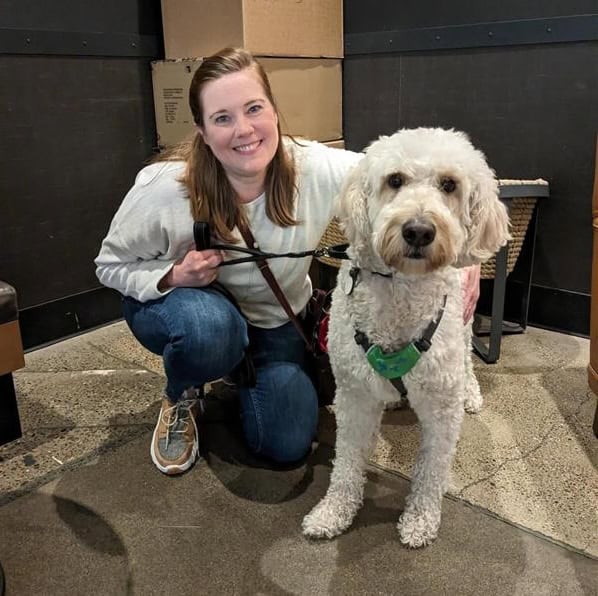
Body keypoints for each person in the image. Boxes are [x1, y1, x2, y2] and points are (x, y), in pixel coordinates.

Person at [95, 47, 481, 476]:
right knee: (210, 332)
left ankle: (239, 371)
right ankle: (182, 391)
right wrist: (174, 274)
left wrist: (467, 261)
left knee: (287, 444)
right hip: (194, 311)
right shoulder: (166, 188)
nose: (244, 130)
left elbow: (415, 177)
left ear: (274, 111)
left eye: (254, 108)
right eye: (222, 118)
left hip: (277, 320)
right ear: (202, 131)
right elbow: (109, 265)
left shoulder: (313, 167)